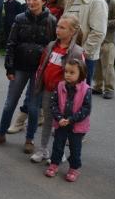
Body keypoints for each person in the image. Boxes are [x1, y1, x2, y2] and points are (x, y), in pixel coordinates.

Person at [0, 0, 56, 154]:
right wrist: (9, 67)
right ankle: (1, 133)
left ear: (44, 1)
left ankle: (29, 139)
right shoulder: (19, 18)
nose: (31, 2)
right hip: (19, 66)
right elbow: (11, 43)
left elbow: (53, 47)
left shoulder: (51, 21)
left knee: (34, 107)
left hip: (39, 70)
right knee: (9, 103)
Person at [31, 14, 84, 163]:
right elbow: (42, 66)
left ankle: (58, 152)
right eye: (57, 26)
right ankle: (43, 149)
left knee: (60, 123)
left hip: (65, 95)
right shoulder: (51, 46)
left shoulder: (77, 52)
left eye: (62, 27)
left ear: (72, 31)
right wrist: (39, 84)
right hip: (48, 91)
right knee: (48, 119)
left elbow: (81, 76)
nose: (58, 30)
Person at [45, 59, 91, 182]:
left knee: (75, 148)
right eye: (66, 72)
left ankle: (74, 168)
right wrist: (59, 118)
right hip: (61, 124)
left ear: (80, 74)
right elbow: (53, 104)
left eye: (72, 72)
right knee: (57, 145)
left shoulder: (86, 89)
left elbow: (86, 109)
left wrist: (71, 119)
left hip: (77, 126)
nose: (68, 75)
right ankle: (54, 164)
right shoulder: (60, 86)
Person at [64, 0, 107, 86]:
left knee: (80, 97)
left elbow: (98, 33)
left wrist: (81, 54)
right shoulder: (71, 1)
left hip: (84, 59)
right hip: (67, 54)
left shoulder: (97, 2)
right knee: (65, 95)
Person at [93, 0, 115, 99]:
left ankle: (109, 89)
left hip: (108, 40)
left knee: (108, 66)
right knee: (98, 66)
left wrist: (104, 23)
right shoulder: (96, 2)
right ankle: (98, 87)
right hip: (97, 39)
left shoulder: (114, 4)